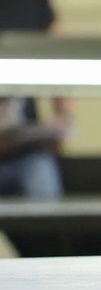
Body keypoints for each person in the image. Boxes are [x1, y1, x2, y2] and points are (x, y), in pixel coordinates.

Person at [0, 0, 74, 256]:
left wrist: (63, 117)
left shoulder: (34, 5)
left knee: (49, 232)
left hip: (28, 149)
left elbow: (60, 58)